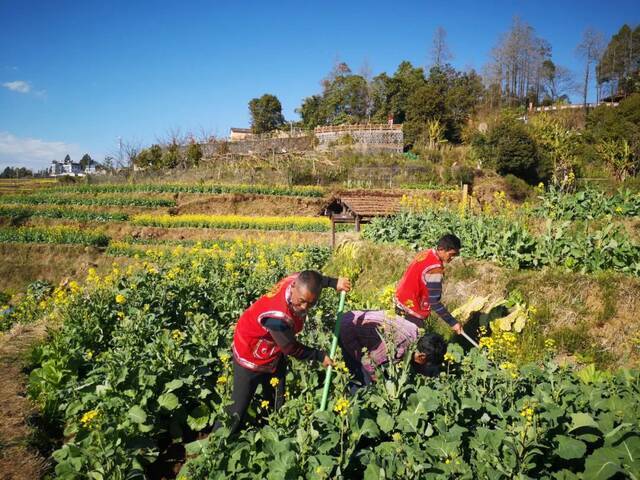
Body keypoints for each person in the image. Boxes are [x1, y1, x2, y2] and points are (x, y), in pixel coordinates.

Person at [227, 270, 351, 433]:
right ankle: (217, 444)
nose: (304, 308)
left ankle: (272, 432)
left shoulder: (297, 280)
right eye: (301, 301)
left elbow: (316, 278)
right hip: (250, 350)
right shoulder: (277, 316)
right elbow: (290, 348)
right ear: (293, 287)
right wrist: (319, 356)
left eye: (311, 303)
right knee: (237, 408)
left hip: (273, 348)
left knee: (278, 398)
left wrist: (335, 282)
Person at [338, 310, 447, 393]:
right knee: (364, 382)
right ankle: (352, 403)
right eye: (428, 364)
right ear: (422, 356)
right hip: (347, 329)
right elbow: (370, 362)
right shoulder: (398, 346)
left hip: (354, 316)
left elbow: (415, 361)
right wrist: (379, 381)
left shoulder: (415, 332)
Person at [394, 233, 463, 334]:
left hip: (401, 301)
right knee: (412, 342)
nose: (452, 258)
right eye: (451, 254)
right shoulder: (435, 269)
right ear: (442, 249)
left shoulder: (426, 253)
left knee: (398, 338)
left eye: (455, 255)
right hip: (412, 310)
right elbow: (434, 302)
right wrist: (453, 322)